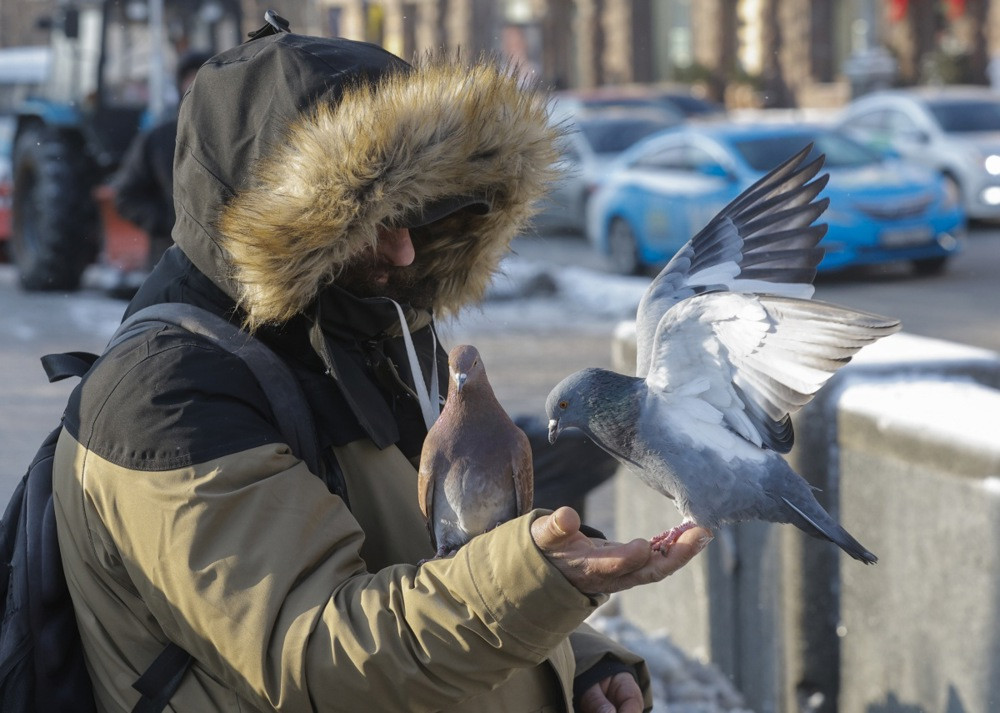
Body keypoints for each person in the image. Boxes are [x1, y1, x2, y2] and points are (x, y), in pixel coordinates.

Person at [52, 26, 711, 713]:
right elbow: (323, 656)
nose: (401, 252)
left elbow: (438, 575)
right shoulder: (162, 397)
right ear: (279, 220)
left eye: (415, 213)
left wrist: (571, 664)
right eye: (366, 220)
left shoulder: (367, 324)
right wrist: (540, 580)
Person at [112, 49, 214, 270]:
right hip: (171, 263)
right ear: (180, 84)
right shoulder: (159, 140)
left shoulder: (236, 137)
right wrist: (170, 223)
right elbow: (126, 196)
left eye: (203, 78)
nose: (195, 85)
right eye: (189, 78)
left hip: (225, 269)